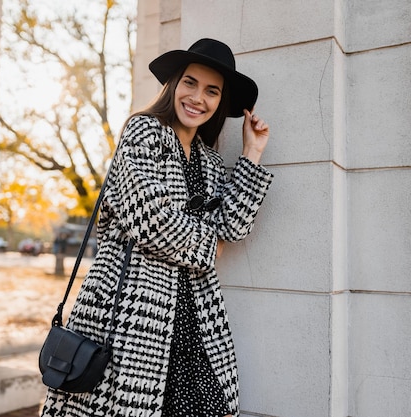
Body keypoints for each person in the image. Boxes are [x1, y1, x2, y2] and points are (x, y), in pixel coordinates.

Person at [41, 38, 273, 417]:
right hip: (129, 312)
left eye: (212, 91)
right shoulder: (143, 132)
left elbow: (232, 227)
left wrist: (252, 153)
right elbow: (149, 221)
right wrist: (206, 246)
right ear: (173, 86)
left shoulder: (210, 162)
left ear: (220, 103)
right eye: (190, 83)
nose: (198, 97)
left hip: (194, 314)